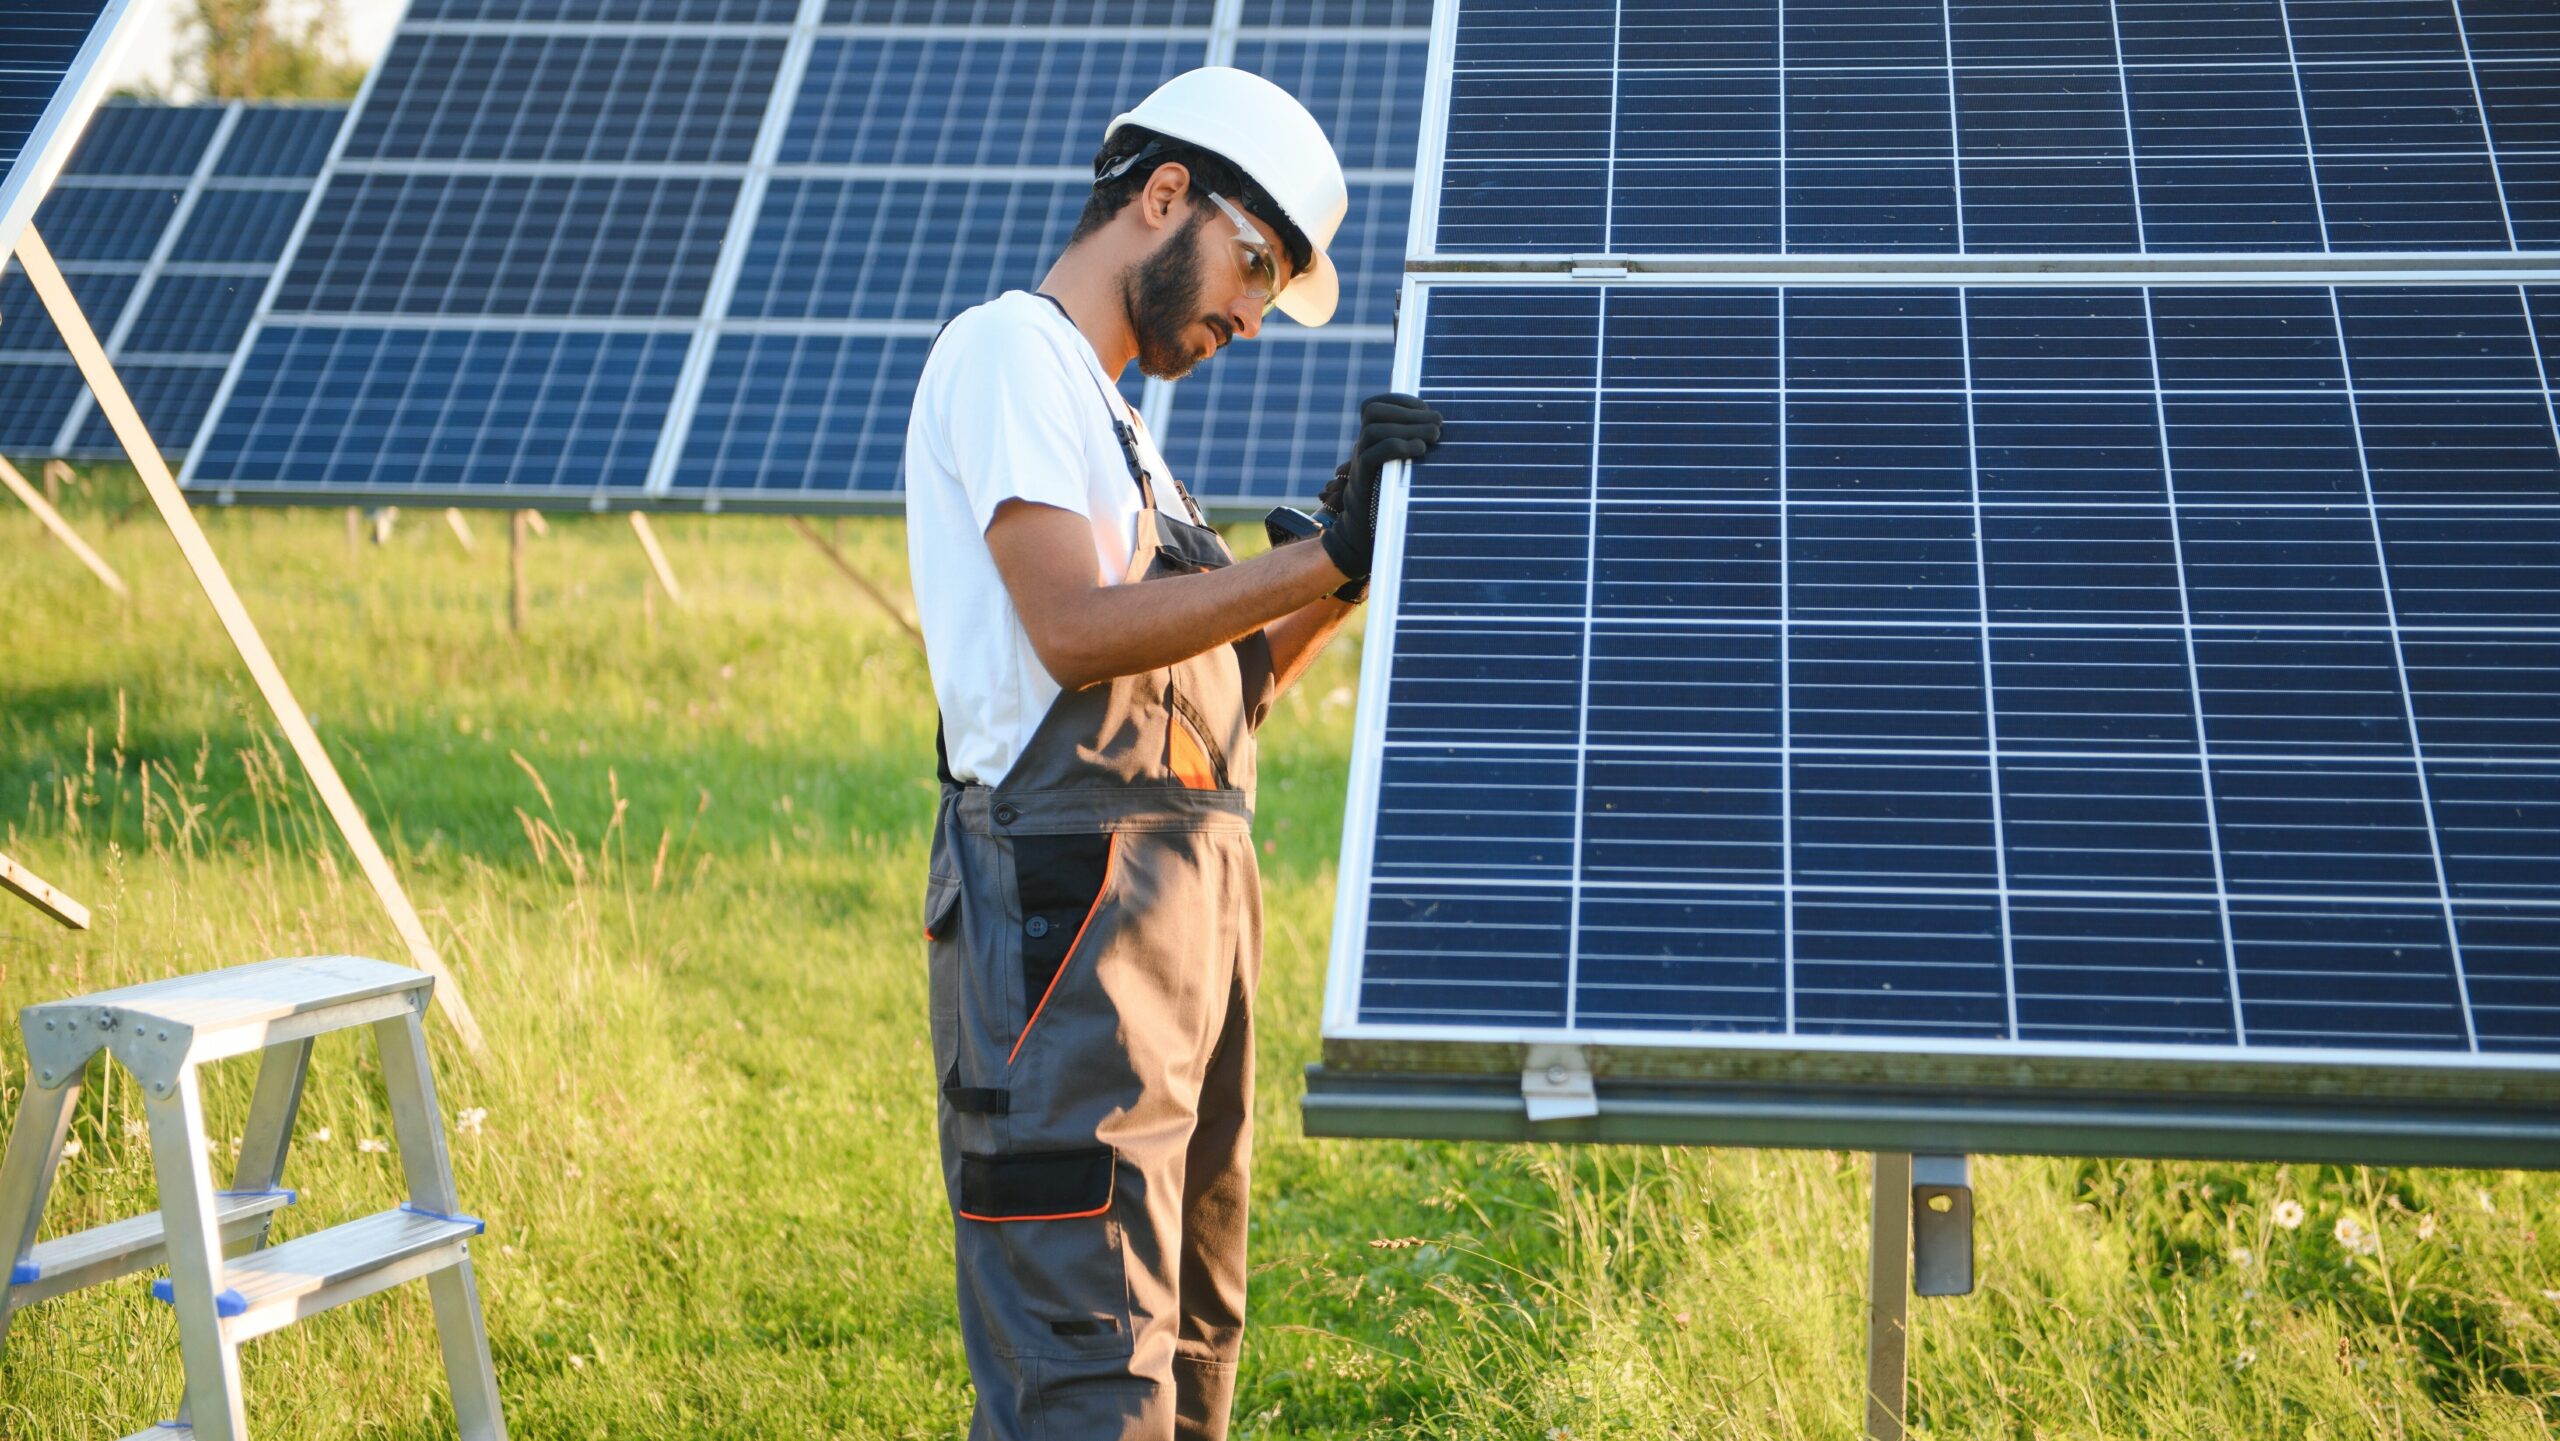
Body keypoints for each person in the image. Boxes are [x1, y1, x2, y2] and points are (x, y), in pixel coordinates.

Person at [901, 66, 1442, 1441]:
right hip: (1073, 928)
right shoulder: (1010, 353)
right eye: (1253, 264)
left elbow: (1222, 692)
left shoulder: (1125, 431)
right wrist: (1319, 555)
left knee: (1189, 1341)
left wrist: (1344, 562)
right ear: (1161, 196)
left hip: (1182, 924)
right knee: (1089, 1361)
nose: (1252, 316)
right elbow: (1077, 630)